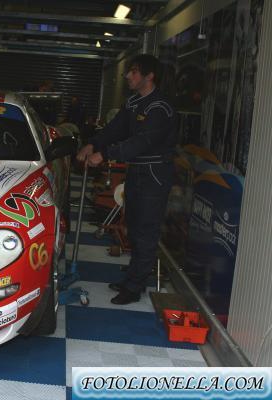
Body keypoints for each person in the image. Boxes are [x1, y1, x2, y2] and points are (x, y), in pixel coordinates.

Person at [76, 54, 178, 305]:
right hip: (137, 172)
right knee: (132, 225)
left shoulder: (160, 107)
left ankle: (134, 287)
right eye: (129, 71)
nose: (127, 76)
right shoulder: (133, 103)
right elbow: (115, 130)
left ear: (149, 75)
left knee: (145, 231)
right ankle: (134, 277)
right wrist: (93, 143)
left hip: (154, 174)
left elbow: (141, 142)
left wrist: (106, 154)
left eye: (133, 71)